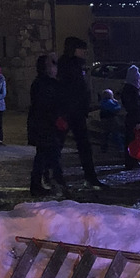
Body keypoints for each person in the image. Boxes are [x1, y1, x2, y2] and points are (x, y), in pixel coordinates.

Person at [56, 36, 103, 188]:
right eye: (82, 49)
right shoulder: (67, 66)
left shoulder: (75, 65)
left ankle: (90, 176)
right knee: (57, 145)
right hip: (69, 112)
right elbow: (69, 90)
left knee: (83, 145)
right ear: (74, 50)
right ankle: (53, 176)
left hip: (76, 112)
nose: (85, 52)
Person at [27, 52, 67, 196]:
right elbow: (46, 106)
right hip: (46, 126)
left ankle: (43, 183)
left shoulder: (43, 83)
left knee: (44, 155)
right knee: (49, 154)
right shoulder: (45, 84)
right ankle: (56, 183)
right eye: (53, 64)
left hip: (45, 125)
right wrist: (57, 118)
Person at [121, 65, 140, 164]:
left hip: (132, 117)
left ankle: (132, 160)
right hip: (133, 118)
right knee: (133, 139)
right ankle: (132, 161)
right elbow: (134, 106)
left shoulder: (128, 88)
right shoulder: (132, 89)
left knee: (132, 139)